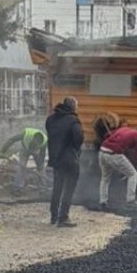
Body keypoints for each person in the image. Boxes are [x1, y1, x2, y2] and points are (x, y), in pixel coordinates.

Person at [45, 97, 84, 227]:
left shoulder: (50, 119)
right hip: (69, 159)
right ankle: (63, 218)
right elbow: (79, 138)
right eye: (77, 105)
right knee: (69, 189)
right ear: (73, 106)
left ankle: (53, 216)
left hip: (55, 158)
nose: (77, 108)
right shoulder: (73, 120)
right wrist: (75, 151)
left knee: (57, 187)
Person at [98, 124, 137, 211]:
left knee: (105, 178)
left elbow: (106, 135)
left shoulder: (124, 129)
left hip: (102, 151)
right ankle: (131, 201)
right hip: (114, 153)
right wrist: (136, 166)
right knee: (133, 174)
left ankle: (103, 202)